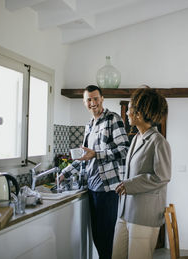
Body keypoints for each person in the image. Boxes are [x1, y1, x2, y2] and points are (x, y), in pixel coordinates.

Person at [59, 85, 130, 259]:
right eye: (89, 100)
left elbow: (124, 150)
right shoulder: (89, 126)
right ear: (84, 103)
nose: (93, 103)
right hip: (91, 189)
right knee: (98, 238)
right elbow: (85, 157)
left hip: (108, 190)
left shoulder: (113, 119)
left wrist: (97, 154)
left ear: (102, 99)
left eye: (96, 98)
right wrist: (65, 173)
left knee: (108, 239)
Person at [112, 88, 171, 259]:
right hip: (124, 212)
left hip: (143, 216)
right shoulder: (137, 137)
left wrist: (129, 185)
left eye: (130, 108)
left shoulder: (159, 142)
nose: (128, 113)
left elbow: (162, 177)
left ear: (139, 113)